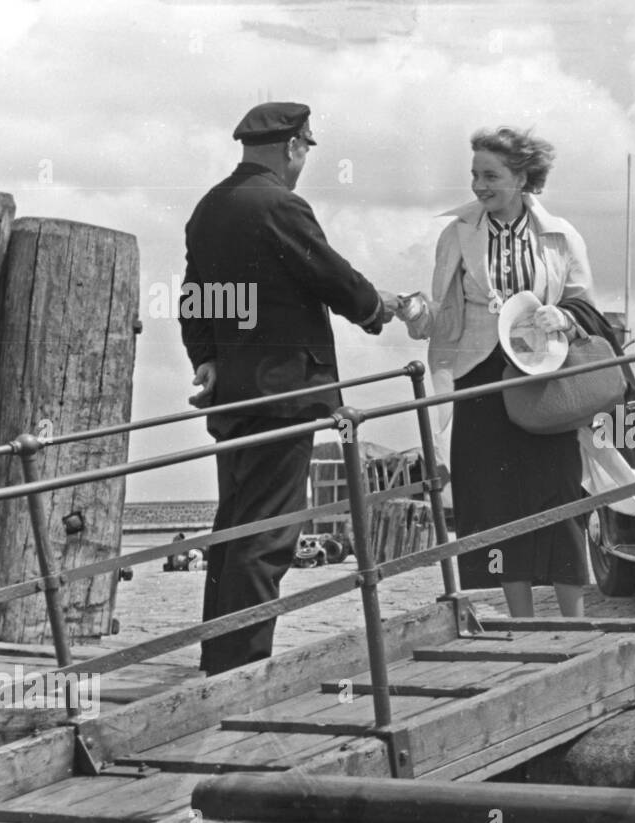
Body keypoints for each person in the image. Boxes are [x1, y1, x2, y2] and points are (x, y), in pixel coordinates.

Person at [179, 101, 394, 675]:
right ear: (294, 146)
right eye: (306, 150)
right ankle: (243, 667)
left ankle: (219, 657)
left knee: (235, 526)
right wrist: (378, 307)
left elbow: (195, 298)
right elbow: (329, 274)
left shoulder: (208, 210)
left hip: (236, 398)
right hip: (287, 397)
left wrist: (207, 359)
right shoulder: (280, 204)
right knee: (271, 533)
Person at [398, 127, 594, 618]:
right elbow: (442, 313)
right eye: (474, 175)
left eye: (491, 175)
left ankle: (574, 620)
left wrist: (564, 318)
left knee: (560, 489)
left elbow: (587, 307)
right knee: (496, 496)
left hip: (543, 377)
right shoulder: (457, 234)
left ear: (523, 177)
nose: (479, 186)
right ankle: (522, 620)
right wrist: (413, 311)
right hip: (479, 379)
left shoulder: (562, 235)